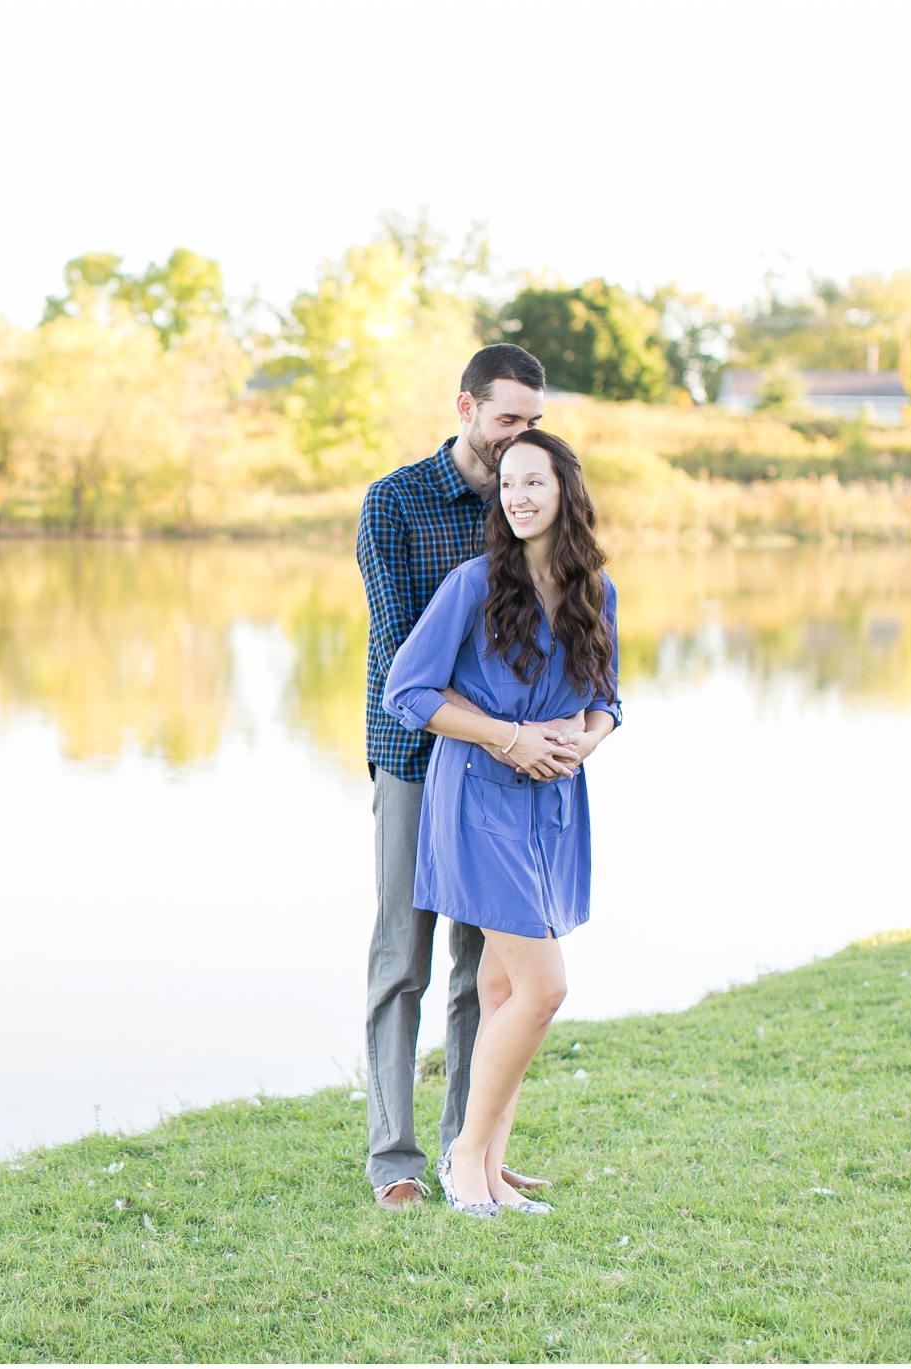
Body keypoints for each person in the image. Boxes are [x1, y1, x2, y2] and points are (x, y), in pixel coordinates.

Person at [357, 343, 584, 1210]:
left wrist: (564, 732)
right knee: (402, 957)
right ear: (465, 409)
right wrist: (505, 733)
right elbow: (404, 658)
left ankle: (471, 1147)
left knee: (482, 969)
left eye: (534, 421)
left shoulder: (526, 501)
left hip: (509, 772)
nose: (521, 437)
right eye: (507, 420)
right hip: (418, 755)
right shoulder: (396, 504)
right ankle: (394, 1161)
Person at [380, 428, 621, 1216]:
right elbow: (407, 693)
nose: (518, 497)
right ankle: (462, 1158)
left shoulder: (595, 591)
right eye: (509, 484)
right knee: (544, 988)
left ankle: (490, 1168)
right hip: (477, 798)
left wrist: (582, 742)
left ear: (565, 495)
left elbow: (607, 701)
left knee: (501, 985)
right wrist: (509, 736)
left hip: (552, 805)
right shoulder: (472, 585)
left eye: (535, 484)